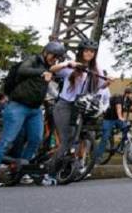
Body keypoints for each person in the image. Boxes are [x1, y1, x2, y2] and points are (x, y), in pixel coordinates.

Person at [0, 41, 67, 188]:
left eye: (58, 57)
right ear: (46, 52)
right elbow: (22, 70)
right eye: (54, 55)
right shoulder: (33, 60)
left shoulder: (49, 68)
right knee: (7, 141)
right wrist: (41, 72)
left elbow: (50, 88)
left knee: (35, 140)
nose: (55, 59)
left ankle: (22, 171)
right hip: (18, 106)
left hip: (35, 109)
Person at [43, 39, 106, 186]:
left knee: (76, 139)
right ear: (81, 51)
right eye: (86, 50)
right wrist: (67, 64)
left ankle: (66, 168)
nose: (89, 53)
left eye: (92, 51)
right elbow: (51, 69)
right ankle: (49, 173)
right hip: (65, 105)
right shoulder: (72, 65)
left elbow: (101, 86)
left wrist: (108, 82)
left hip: (81, 107)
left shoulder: (96, 68)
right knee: (66, 141)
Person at [94, 87, 131, 163]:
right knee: (105, 137)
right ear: (126, 93)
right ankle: (97, 157)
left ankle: (122, 146)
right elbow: (118, 108)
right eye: (130, 94)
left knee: (126, 127)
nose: (131, 96)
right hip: (109, 119)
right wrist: (120, 117)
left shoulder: (128, 100)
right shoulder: (118, 97)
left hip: (117, 120)